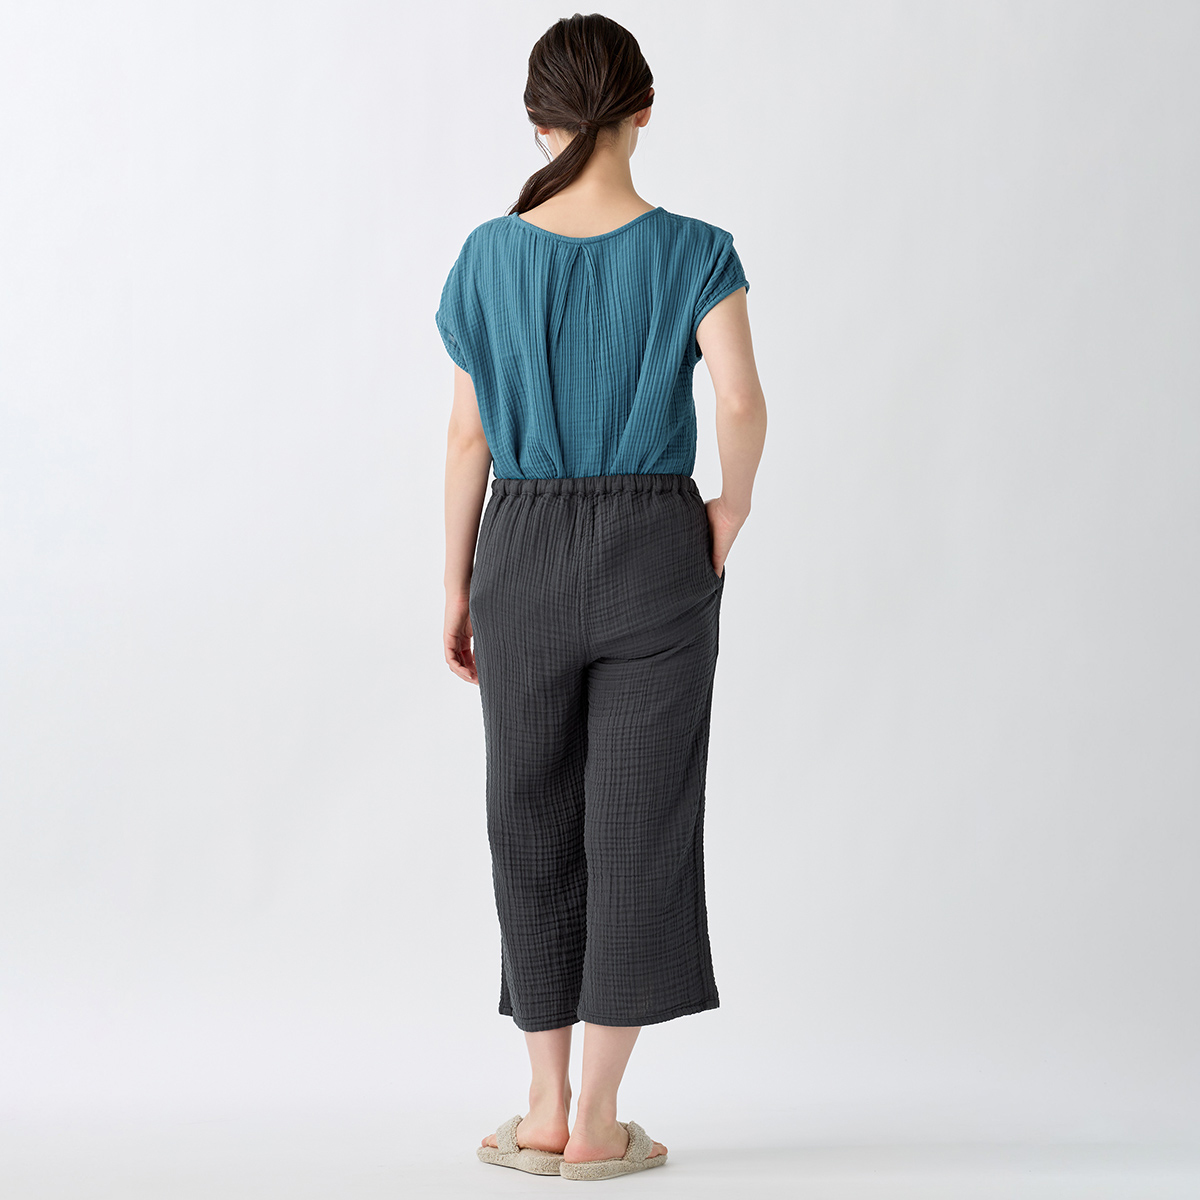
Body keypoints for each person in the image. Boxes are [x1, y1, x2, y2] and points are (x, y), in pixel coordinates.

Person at [436, 13, 767, 1182]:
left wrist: (456, 585)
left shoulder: (488, 255)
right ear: (644, 109)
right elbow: (740, 402)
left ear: (538, 121)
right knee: (638, 824)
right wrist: (727, 510)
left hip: (520, 548)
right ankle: (598, 1118)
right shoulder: (697, 251)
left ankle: (539, 1106)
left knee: (527, 816)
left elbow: (469, 435)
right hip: (656, 547)